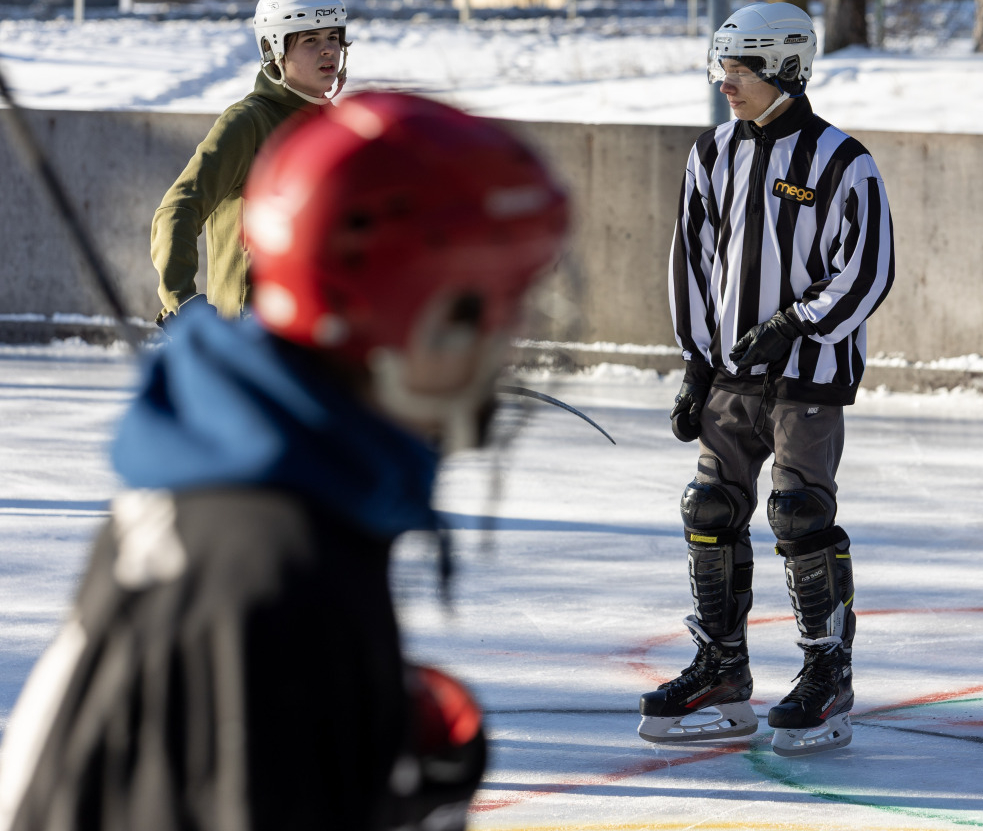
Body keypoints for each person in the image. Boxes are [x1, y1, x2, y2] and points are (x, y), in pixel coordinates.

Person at [0, 93, 570, 830]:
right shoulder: (277, 570)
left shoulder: (237, 496)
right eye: (488, 306)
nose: (509, 341)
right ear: (400, 310)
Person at [639, 2, 895, 757]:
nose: (726, 83)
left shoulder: (842, 161)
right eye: (722, 68)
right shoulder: (711, 153)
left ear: (785, 69)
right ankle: (722, 667)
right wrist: (694, 362)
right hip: (730, 377)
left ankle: (827, 671)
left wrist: (796, 323)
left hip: (808, 376)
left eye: (739, 70)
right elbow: (690, 261)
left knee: (798, 512)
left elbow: (868, 269)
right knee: (710, 506)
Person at [150, 0, 350, 326]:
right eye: (311, 40)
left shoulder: (338, 127)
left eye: (333, 37)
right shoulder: (247, 122)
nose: (328, 50)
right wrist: (182, 301)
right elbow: (178, 209)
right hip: (248, 339)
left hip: (317, 337)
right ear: (274, 50)